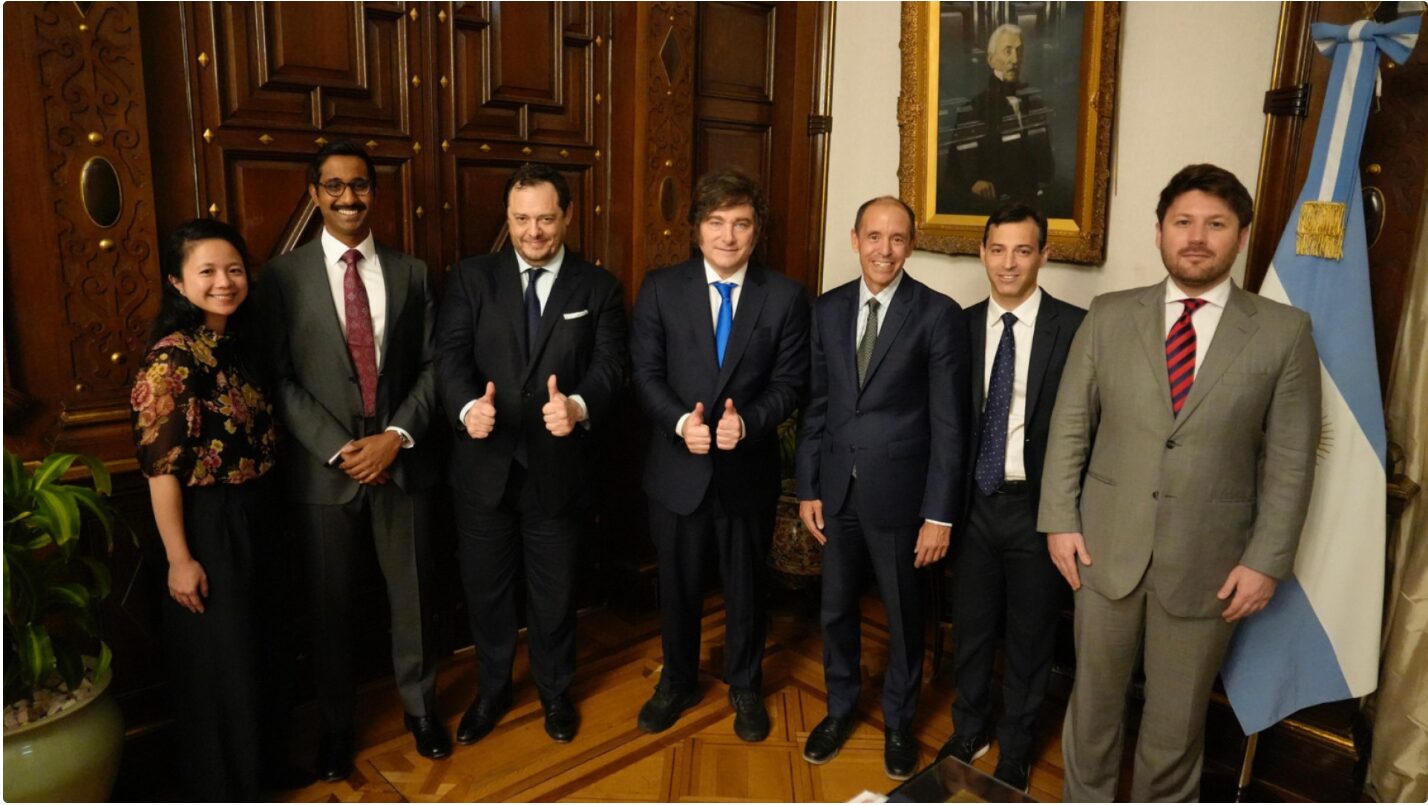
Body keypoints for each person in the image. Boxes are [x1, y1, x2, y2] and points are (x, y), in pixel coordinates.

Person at [1038, 164, 1321, 801]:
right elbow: (1071, 426)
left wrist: (1266, 561)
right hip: (1103, 551)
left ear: (1241, 237)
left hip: (1210, 565)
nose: (1196, 237)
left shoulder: (1284, 331)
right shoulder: (1109, 315)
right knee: (1093, 709)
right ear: (1160, 231)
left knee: (1176, 724)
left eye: (1215, 224)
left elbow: (1291, 460)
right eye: (1182, 222)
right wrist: (1059, 520)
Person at [258, 140, 449, 779]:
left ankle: (421, 710)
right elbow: (279, 378)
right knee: (329, 607)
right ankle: (337, 726)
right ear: (315, 194)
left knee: (414, 597)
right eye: (334, 186)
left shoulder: (412, 272)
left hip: (402, 462)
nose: (348, 197)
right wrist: (340, 449)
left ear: (375, 191)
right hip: (324, 471)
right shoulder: (281, 278)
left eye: (360, 185)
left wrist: (396, 435)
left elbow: (434, 366)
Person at [435, 163, 627, 745]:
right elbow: (449, 358)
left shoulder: (598, 287)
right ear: (508, 217)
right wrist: (467, 409)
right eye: (521, 219)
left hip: (557, 469)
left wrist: (578, 405)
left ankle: (555, 692)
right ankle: (492, 691)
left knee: (555, 592)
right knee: (487, 593)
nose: (533, 231)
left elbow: (611, 366)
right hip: (484, 468)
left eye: (545, 218)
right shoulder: (471, 278)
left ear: (567, 216)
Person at [629, 169, 810, 742]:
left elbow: (790, 382)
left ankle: (746, 684)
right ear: (696, 229)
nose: (728, 236)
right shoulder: (661, 288)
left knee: (746, 589)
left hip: (745, 471)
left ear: (757, 231)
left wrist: (748, 423)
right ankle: (676, 681)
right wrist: (682, 423)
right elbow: (645, 375)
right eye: (715, 222)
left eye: (741, 224)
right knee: (678, 587)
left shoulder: (785, 296)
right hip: (677, 470)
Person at [796, 196, 970, 780]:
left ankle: (899, 721)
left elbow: (950, 425)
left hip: (901, 495)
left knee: (902, 616)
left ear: (911, 245)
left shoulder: (937, 314)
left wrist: (939, 514)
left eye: (897, 238)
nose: (885, 250)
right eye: (874, 236)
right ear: (855, 240)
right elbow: (817, 405)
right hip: (836, 493)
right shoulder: (827, 309)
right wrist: (809, 486)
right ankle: (839, 708)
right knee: (835, 611)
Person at [132, 219, 289, 800]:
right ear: (178, 282)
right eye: (207, 271)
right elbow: (161, 470)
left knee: (257, 651)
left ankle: (263, 776)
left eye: (234, 269)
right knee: (221, 662)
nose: (224, 282)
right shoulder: (172, 360)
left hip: (257, 511)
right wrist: (180, 559)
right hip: (206, 523)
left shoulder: (238, 344)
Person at [936, 203, 1084, 792]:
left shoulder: (1076, 328)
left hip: (1039, 510)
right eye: (997, 249)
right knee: (971, 629)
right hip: (973, 504)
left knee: (1030, 636)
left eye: (1023, 250)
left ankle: (1017, 746)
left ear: (1045, 254)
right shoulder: (960, 326)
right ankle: (969, 729)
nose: (1009, 263)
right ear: (982, 252)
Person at [940, 23, 1055, 216]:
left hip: (1034, 202)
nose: (1015, 59)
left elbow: (1045, 161)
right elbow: (958, 170)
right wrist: (974, 182)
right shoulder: (973, 108)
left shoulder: (1035, 101)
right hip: (996, 208)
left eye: (1019, 51)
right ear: (991, 60)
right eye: (1007, 51)